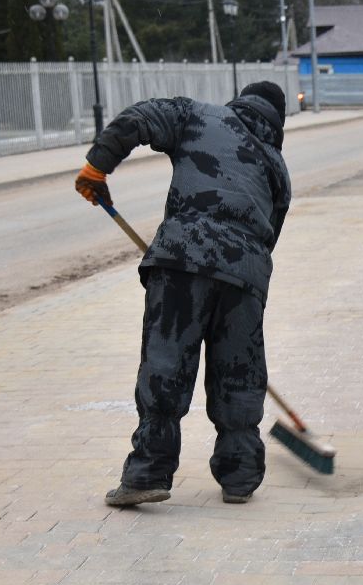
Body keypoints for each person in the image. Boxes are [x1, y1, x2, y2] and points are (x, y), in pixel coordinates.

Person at [74, 81, 291, 508]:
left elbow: (138, 118)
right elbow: (270, 237)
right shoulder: (278, 168)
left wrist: (98, 166)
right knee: (239, 373)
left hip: (181, 262)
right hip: (245, 275)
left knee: (166, 365)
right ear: (277, 122)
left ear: (240, 101)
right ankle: (240, 477)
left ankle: (148, 474)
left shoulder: (198, 115)